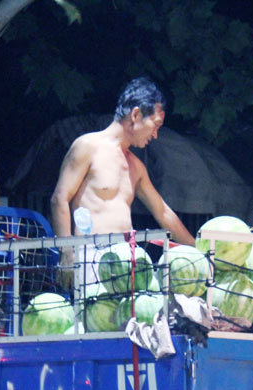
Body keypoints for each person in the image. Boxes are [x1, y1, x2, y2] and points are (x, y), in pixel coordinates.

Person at [50, 77, 195, 288]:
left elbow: (163, 212)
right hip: (92, 258)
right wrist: (67, 254)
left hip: (128, 259)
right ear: (136, 114)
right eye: (155, 125)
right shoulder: (88, 146)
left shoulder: (136, 167)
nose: (155, 135)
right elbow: (60, 199)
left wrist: (197, 248)